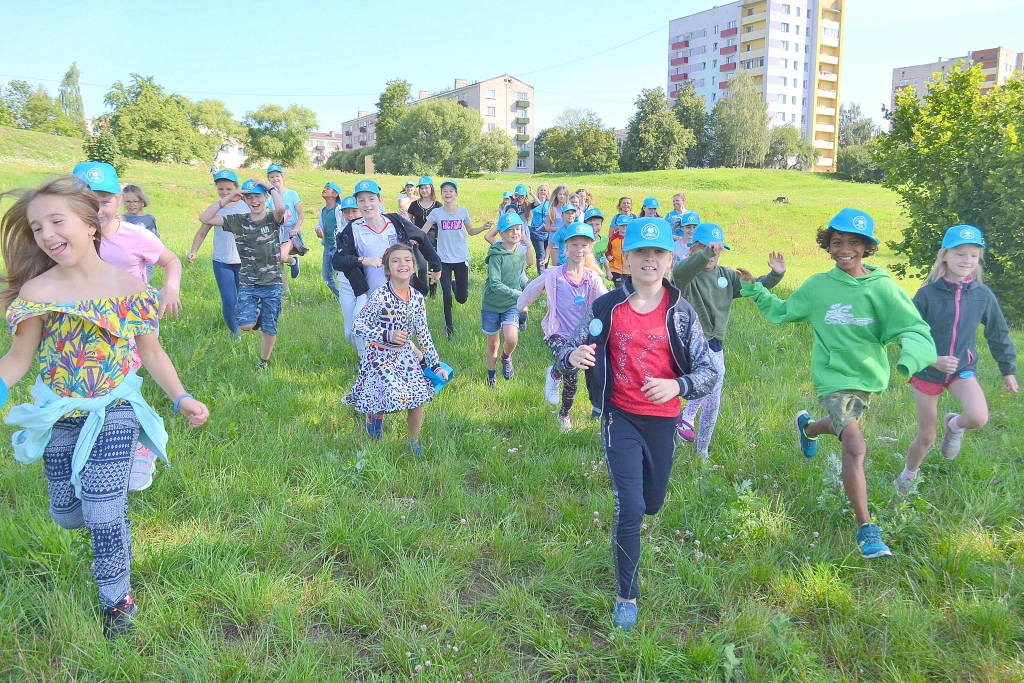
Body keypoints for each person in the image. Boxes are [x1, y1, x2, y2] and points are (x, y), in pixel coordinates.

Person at [0, 176, 209, 640]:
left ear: (91, 224)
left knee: (102, 509)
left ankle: (117, 599)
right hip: (58, 411)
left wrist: (182, 397)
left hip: (115, 406)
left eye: (57, 221)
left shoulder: (130, 288)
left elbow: (151, 353)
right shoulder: (38, 292)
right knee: (67, 512)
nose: (47, 234)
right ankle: (106, 499)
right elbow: (18, 358)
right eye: (36, 228)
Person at [740, 208, 937, 560]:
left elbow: (912, 326)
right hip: (832, 378)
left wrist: (912, 356)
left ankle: (810, 429)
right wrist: (756, 290)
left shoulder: (883, 288)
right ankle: (867, 528)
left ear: (867, 247)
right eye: (837, 242)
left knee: (843, 426)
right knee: (856, 445)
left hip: (868, 378)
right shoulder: (819, 286)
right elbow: (784, 311)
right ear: (828, 247)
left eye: (853, 242)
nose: (845, 249)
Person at [557, 216, 719, 631]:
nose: (649, 259)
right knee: (628, 507)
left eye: (658, 253)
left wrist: (677, 385)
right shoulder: (606, 307)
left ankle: (644, 509)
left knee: (652, 503)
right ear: (625, 259)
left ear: (670, 260)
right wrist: (571, 359)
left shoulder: (682, 314)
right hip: (620, 416)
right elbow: (568, 348)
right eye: (640, 253)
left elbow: (708, 372)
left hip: (663, 422)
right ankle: (625, 595)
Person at [73, 162, 183, 492]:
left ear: (119, 199)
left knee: (120, 382)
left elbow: (170, 260)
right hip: (89, 324)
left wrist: (171, 287)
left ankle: (140, 443)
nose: (97, 208)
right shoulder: (68, 238)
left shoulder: (135, 236)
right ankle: (97, 441)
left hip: (133, 323)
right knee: (94, 384)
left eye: (104, 200)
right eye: (86, 199)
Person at [896, 225, 1017, 494]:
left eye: (974, 255)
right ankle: (907, 476)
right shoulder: (927, 294)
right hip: (928, 371)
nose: (967, 261)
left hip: (962, 369)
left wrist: (1008, 371)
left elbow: (998, 333)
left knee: (977, 417)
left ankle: (954, 424)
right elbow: (908, 334)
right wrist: (931, 359)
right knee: (927, 436)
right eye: (960, 254)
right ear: (944, 256)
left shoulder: (983, 295)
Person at [672, 223, 786, 458]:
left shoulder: (725, 275)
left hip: (716, 343)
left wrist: (774, 275)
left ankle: (702, 450)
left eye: (717, 249)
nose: (713, 254)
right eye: (705, 248)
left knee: (714, 399)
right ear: (693, 248)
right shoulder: (687, 274)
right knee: (717, 374)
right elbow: (679, 273)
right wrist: (705, 254)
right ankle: (685, 417)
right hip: (692, 342)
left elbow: (753, 289)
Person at [344, 243, 447, 454]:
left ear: (414, 266)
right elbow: (358, 326)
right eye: (396, 260)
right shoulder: (380, 296)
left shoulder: (418, 298)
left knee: (418, 397)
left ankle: (413, 442)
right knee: (388, 398)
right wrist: (386, 334)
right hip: (379, 357)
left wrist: (434, 366)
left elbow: (423, 334)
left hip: (405, 357)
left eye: (407, 260)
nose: (403, 264)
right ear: (388, 268)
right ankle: (374, 422)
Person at [332, 179, 442, 354]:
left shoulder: (395, 222)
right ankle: (369, 358)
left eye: (371, 199)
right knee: (352, 331)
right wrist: (362, 260)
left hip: (394, 291)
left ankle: (372, 364)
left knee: (397, 334)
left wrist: (436, 266)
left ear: (380, 200)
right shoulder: (353, 229)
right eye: (361, 200)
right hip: (367, 291)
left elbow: (421, 237)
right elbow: (337, 261)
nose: (367, 205)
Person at [518, 222, 607, 431]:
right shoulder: (555, 274)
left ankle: (564, 414)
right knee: (569, 364)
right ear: (566, 248)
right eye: (574, 245)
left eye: (583, 245)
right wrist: (522, 305)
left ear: (590, 248)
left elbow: (606, 299)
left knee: (572, 379)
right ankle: (555, 373)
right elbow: (533, 288)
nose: (579, 250)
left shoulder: (592, 278)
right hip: (556, 332)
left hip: (581, 337)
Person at [198, 179, 287, 370]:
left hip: (273, 282)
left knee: (270, 328)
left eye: (258, 196)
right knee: (246, 324)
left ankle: (263, 362)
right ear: (244, 200)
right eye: (250, 197)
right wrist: (228, 198)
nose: (254, 201)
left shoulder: (272, 219)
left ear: (265, 197)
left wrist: (269, 187)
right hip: (249, 282)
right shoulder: (238, 221)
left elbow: (281, 207)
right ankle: (258, 312)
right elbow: (205, 218)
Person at [422, 180, 492, 338]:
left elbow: (471, 231)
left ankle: (455, 286)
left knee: (462, 298)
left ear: (456, 194)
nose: (448, 193)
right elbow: (422, 232)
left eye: (451, 191)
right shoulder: (436, 213)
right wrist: (409, 228)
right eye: (445, 191)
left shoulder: (463, 212)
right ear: (441, 194)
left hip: (461, 259)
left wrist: (483, 227)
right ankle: (449, 330)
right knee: (446, 296)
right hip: (443, 260)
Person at [187, 170, 248, 338]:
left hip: (244, 260)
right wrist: (194, 251)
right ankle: (235, 334)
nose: (225, 193)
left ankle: (248, 324)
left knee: (245, 298)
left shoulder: (247, 205)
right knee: (229, 299)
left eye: (229, 189)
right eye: (221, 189)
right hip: (222, 261)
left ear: (236, 187)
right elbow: (202, 232)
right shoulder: (215, 209)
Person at [482, 212, 529, 387]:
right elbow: (495, 283)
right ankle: (491, 374)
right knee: (493, 343)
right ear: (501, 234)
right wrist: (520, 295)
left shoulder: (521, 254)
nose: (515, 233)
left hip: (510, 304)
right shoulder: (496, 254)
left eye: (517, 229)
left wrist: (527, 293)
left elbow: (519, 279)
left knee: (511, 339)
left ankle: (506, 357)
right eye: (509, 230)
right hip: (491, 305)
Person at [331, 196, 363, 350]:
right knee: (348, 333)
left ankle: (366, 360)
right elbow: (337, 262)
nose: (350, 215)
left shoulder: (370, 230)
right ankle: (362, 355)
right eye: (346, 212)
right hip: (346, 283)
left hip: (366, 285)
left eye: (354, 211)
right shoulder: (340, 233)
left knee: (359, 320)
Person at [265, 164, 304, 290]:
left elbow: (301, 214)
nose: (275, 179)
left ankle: (293, 261)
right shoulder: (269, 198)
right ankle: (286, 290)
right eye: (271, 177)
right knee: (277, 261)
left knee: (281, 256)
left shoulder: (292, 194)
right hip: (277, 230)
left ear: (282, 177)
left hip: (290, 229)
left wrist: (296, 228)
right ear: (269, 179)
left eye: (277, 176)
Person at [407, 176, 442, 297]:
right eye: (421, 188)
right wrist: (411, 236)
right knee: (421, 267)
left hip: (434, 239)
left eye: (426, 187)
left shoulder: (438, 205)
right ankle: (422, 294)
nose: (424, 190)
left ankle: (432, 294)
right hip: (418, 240)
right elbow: (408, 222)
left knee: (433, 267)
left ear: (431, 188)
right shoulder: (414, 205)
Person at [120, 184, 159, 282]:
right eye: (128, 201)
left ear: (142, 201)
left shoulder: (148, 219)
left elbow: (155, 241)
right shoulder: (120, 219)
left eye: (135, 201)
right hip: (125, 260)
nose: (132, 205)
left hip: (145, 261)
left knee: (141, 285)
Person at [314, 182, 343, 298]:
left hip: (337, 247)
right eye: (324, 188)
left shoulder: (339, 209)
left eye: (328, 189)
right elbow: (319, 224)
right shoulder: (322, 210)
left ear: (335, 194)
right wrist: (318, 229)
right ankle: (340, 296)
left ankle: (346, 295)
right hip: (327, 246)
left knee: (340, 273)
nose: (324, 190)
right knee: (326, 276)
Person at [527, 184, 551, 272]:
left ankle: (545, 271)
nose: (543, 192)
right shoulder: (533, 203)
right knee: (541, 253)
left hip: (548, 231)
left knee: (547, 253)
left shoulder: (550, 203)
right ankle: (541, 275)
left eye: (545, 190)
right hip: (536, 231)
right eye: (541, 190)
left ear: (548, 192)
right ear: (538, 191)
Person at [605, 214, 632, 288]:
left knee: (629, 289)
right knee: (620, 288)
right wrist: (608, 256)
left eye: (626, 225)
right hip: (615, 269)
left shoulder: (631, 239)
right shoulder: (612, 238)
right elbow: (608, 250)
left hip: (629, 270)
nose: (624, 227)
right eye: (622, 225)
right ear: (617, 226)